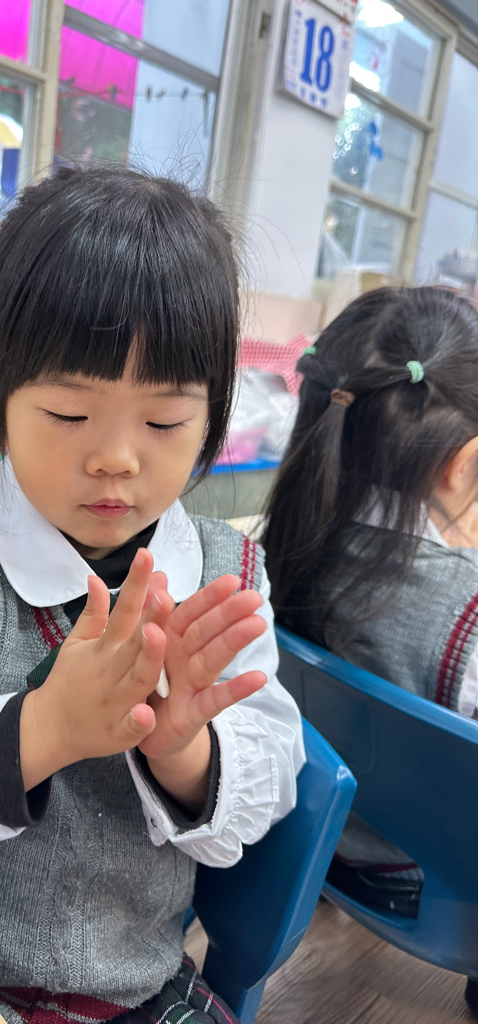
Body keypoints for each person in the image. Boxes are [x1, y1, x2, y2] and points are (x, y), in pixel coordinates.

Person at [0, 166, 305, 1024]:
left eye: (164, 422)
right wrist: (42, 731)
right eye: (70, 415)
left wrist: (185, 753)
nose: (116, 458)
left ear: (214, 414)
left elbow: (269, 777)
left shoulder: (227, 576)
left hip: (136, 989)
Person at [262, 284, 478, 917]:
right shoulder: (466, 615)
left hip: (314, 839)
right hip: (434, 882)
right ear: (463, 465)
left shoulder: (282, 545)